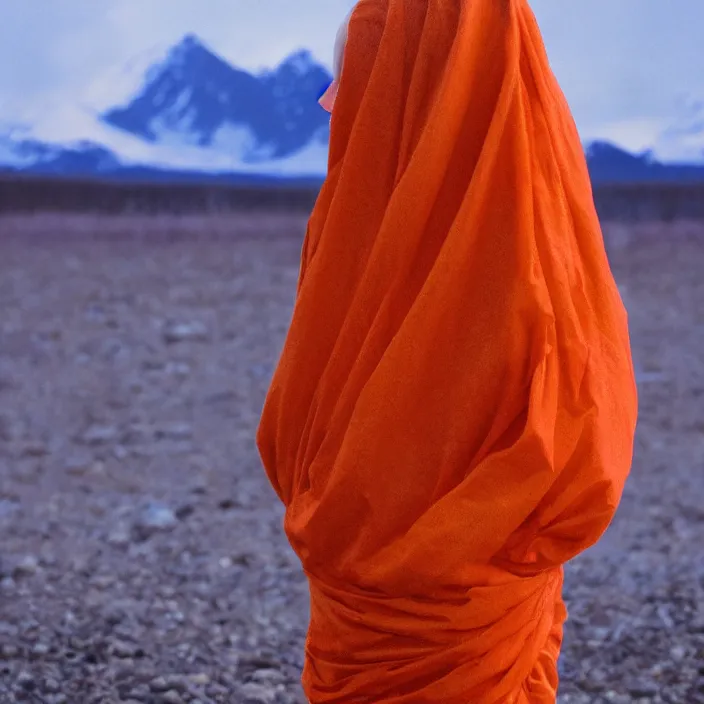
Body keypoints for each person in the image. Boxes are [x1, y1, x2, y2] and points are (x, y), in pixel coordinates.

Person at [257, 0, 638, 701]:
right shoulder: (540, 240)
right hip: (448, 616)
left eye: (361, 77)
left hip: (415, 621)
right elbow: (582, 440)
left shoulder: (487, 243)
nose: (340, 107)